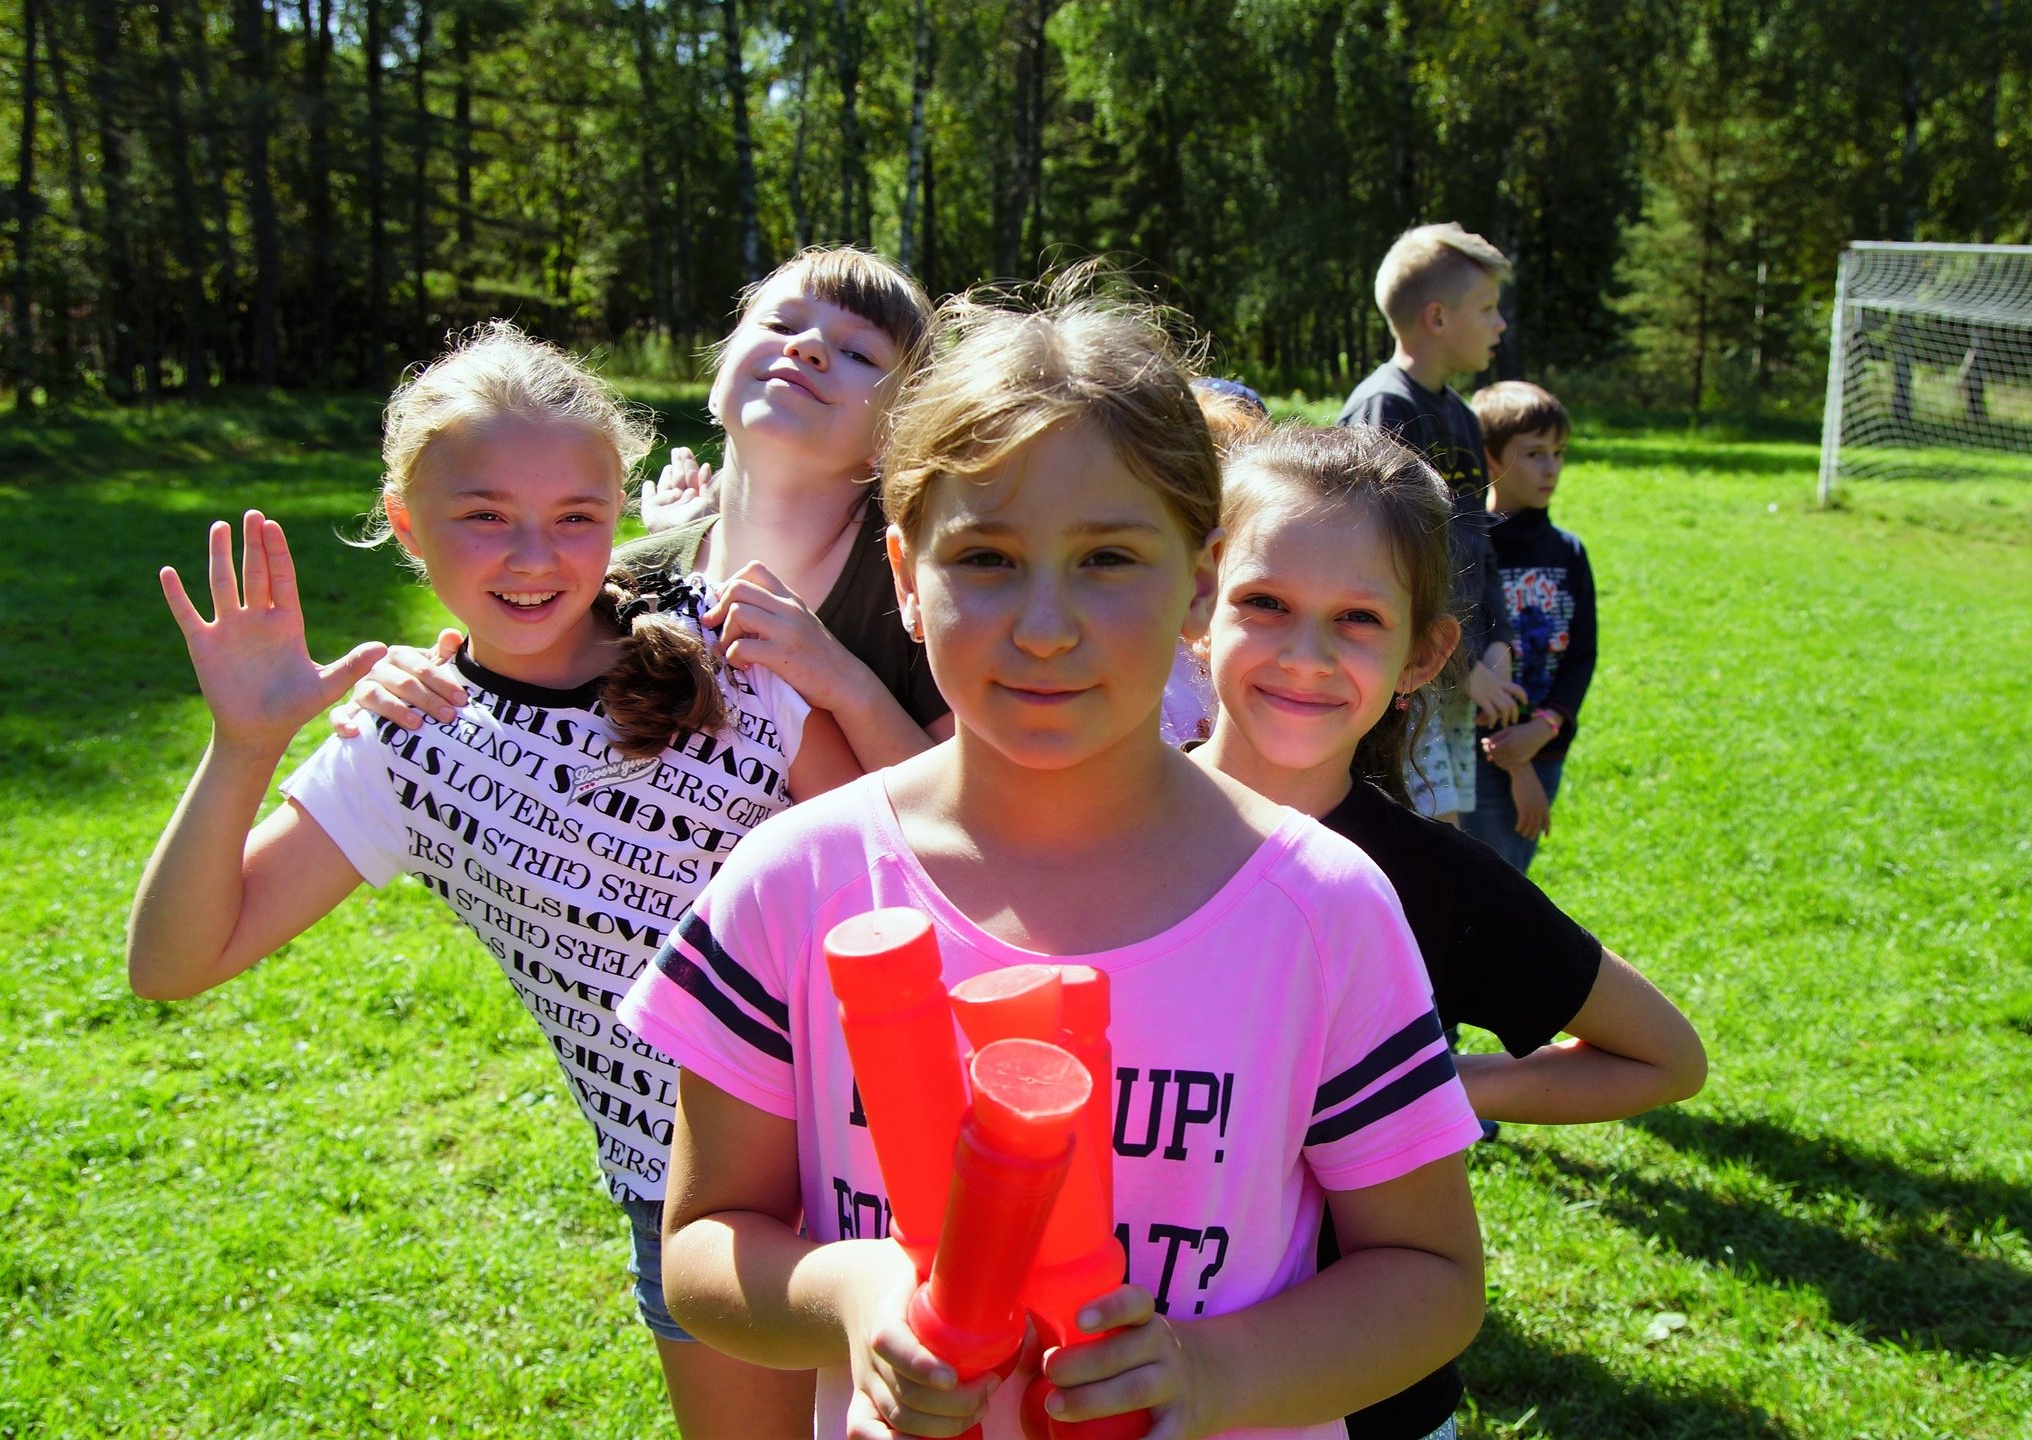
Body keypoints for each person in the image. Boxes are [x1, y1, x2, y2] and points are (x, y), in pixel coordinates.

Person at [618, 278, 1488, 1440]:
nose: (1043, 624)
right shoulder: (792, 885)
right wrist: (856, 1294)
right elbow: (700, 1247)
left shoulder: (1318, 907)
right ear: (904, 578)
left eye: (1107, 559)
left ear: (1195, 580)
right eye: (983, 558)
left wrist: (1210, 1375)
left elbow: (1429, 1276)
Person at [124, 322, 843, 1437]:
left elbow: (889, 854)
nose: (533, 557)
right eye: (483, 517)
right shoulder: (409, 740)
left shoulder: (726, 650)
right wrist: (243, 745)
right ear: (408, 527)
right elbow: (173, 963)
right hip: (691, 1196)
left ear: (619, 511)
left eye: (574, 518)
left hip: (868, 1143)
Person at [1187, 423, 1702, 1440]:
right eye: (1265, 604)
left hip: (1364, 1399)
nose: (1306, 655)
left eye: (1358, 620)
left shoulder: (1430, 881)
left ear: (1423, 654)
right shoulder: (1098, 827)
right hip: (1118, 1369)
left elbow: (1664, 1057)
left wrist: (1442, 1091)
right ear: (1200, 601)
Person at [339, 247, 951, 772]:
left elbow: (980, 815)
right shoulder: (628, 581)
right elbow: (508, 711)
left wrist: (844, 684)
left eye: (860, 354)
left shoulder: (926, 583)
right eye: (781, 324)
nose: (810, 346)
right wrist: (410, 687)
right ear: (718, 377)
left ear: (895, 434)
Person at [1337, 223, 1523, 830]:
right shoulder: (1385, 409)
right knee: (1417, 836)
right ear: (1437, 318)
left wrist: (1494, 646)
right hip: (1408, 680)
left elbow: (1478, 541)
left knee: (1450, 839)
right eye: (1488, 309)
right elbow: (1376, 563)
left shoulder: (1464, 418)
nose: (1500, 325)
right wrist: (1460, 667)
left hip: (1454, 676)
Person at [1465, 381, 1592, 874]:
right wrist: (1515, 760)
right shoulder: (1473, 549)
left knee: (1512, 873)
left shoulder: (1569, 551)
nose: (1551, 468)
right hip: (1486, 753)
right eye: (1535, 453)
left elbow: (1582, 654)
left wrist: (1546, 728)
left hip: (1545, 743)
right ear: (1490, 459)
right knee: (1490, 883)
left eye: (1559, 453)